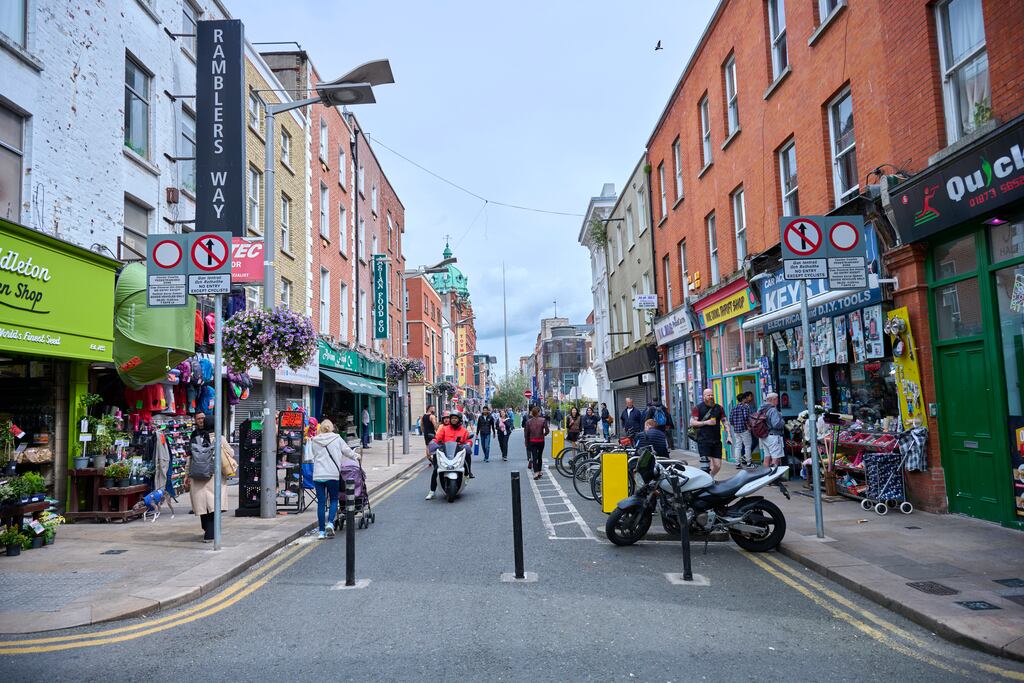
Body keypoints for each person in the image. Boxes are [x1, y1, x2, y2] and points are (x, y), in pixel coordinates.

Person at [185, 412, 231, 543]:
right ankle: (210, 534)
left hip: (198, 475)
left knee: (203, 505)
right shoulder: (219, 438)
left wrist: (187, 474)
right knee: (214, 505)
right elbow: (231, 453)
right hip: (214, 476)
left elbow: (189, 458)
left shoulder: (196, 438)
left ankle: (206, 529)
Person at [310, 419, 359, 539]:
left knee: (321, 502)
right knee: (333, 499)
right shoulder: (337, 438)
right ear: (331, 428)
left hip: (318, 475)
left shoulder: (314, 440)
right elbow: (347, 451)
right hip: (332, 474)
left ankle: (321, 532)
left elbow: (312, 456)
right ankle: (330, 523)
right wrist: (356, 456)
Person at [426, 412, 474, 500]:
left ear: (459, 420)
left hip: (457, 453)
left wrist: (468, 444)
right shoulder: (444, 429)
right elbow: (437, 438)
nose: (453, 420)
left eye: (455, 418)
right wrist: (433, 443)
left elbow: (468, 440)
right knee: (436, 469)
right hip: (445, 452)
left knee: (467, 456)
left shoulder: (464, 430)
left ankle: (468, 473)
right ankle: (432, 491)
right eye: (452, 418)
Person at [690, 388, 726, 477]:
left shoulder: (719, 408)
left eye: (712, 395)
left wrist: (729, 434)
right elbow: (693, 423)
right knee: (706, 465)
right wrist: (706, 422)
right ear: (704, 396)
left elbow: (725, 421)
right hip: (703, 440)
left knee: (717, 465)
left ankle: (710, 477)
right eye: (708, 395)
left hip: (716, 440)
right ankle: (707, 480)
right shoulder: (698, 408)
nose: (711, 397)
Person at [727, 392, 754, 468]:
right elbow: (746, 417)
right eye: (745, 398)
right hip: (744, 430)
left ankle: (737, 463)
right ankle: (749, 463)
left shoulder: (734, 408)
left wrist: (735, 425)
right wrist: (748, 426)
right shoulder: (745, 407)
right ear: (743, 399)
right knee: (747, 446)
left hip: (736, 430)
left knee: (738, 446)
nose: (746, 399)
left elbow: (730, 419)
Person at [523, 405, 549, 479]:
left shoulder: (528, 422)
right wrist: (544, 434)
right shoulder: (543, 420)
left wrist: (526, 442)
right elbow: (547, 431)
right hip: (541, 441)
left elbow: (526, 433)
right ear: (539, 412)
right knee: (540, 456)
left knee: (534, 457)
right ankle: (540, 471)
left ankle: (536, 472)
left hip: (532, 441)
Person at [761, 392, 787, 468]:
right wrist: (783, 421)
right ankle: (773, 474)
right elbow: (776, 424)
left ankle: (765, 474)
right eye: (777, 399)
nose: (778, 401)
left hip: (764, 436)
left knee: (767, 457)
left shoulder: (762, 409)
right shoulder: (773, 410)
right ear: (773, 399)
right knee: (776, 458)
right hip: (773, 436)